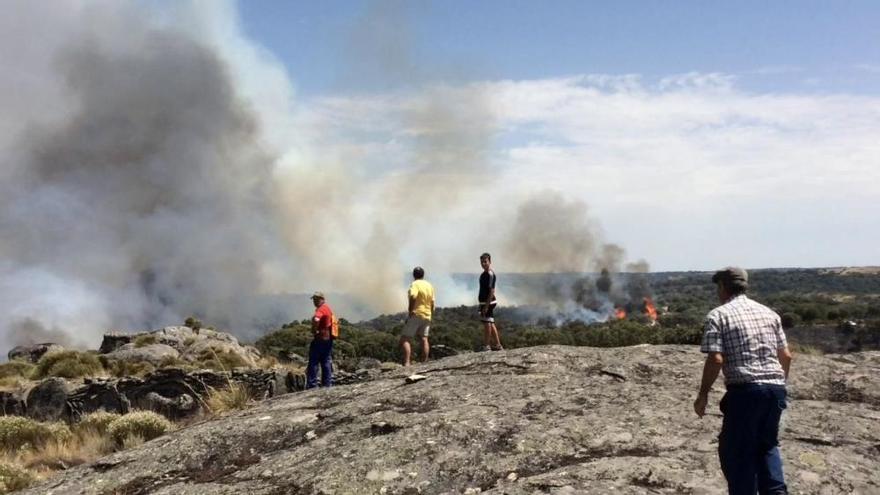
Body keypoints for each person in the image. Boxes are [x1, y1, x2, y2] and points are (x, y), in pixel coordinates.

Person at [693, 267, 793, 495]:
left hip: (745, 392)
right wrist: (778, 385)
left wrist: (703, 395)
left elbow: (716, 358)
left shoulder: (718, 315)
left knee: (737, 452)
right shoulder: (769, 314)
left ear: (722, 287)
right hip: (775, 390)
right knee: (767, 446)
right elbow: (786, 356)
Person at [400, 266, 435, 366]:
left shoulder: (415, 284)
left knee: (405, 339)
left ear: (413, 275)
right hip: (427, 315)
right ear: (423, 275)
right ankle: (424, 362)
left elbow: (413, 296)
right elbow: (432, 302)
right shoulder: (429, 285)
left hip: (416, 313)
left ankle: (407, 363)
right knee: (424, 338)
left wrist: (410, 310)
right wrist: (430, 313)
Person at [306, 291, 334, 388]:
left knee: (313, 361)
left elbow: (316, 319)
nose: (314, 301)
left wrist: (314, 330)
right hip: (328, 339)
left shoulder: (321, 309)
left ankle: (312, 385)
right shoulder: (328, 308)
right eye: (313, 299)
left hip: (320, 339)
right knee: (326, 361)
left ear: (322, 299)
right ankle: (327, 384)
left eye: (316, 299)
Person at [478, 252, 503, 351]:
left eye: (485, 261)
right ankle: (498, 345)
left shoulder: (490, 274)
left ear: (489, 262)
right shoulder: (483, 274)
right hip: (484, 302)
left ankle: (487, 345)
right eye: (482, 262)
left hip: (489, 302)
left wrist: (486, 306)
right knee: (491, 323)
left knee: (487, 323)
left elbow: (492, 290)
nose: (483, 264)